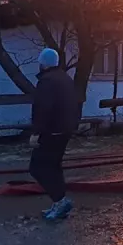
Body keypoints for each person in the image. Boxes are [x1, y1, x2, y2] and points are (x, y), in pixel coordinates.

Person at [29, 48, 80, 220]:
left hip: (51, 131)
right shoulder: (65, 78)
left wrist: (36, 132)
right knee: (54, 167)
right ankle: (59, 203)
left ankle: (60, 200)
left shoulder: (47, 81)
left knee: (37, 167)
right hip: (64, 130)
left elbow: (43, 109)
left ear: (43, 63)